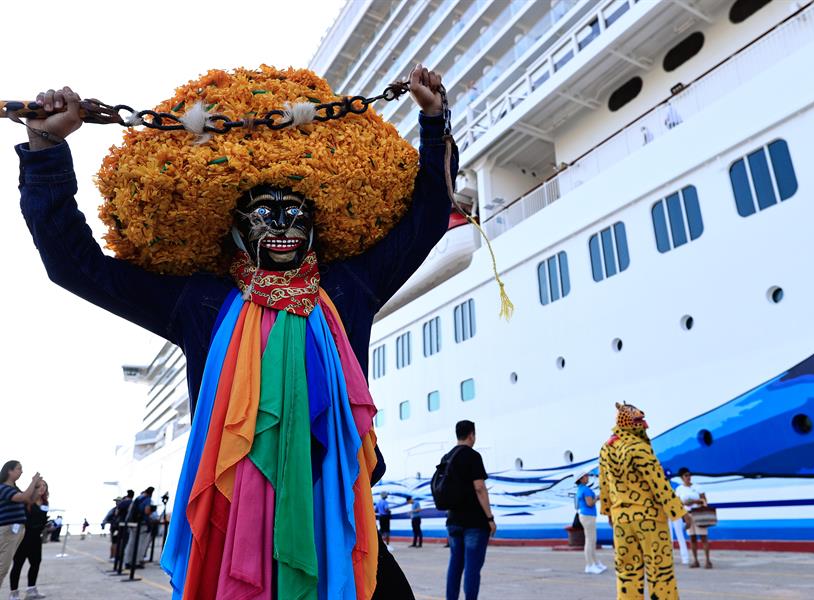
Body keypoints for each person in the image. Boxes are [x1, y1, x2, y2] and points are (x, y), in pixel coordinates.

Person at [17, 63, 455, 599]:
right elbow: (74, 264)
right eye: (264, 214)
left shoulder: (349, 287)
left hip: (343, 517)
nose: (282, 227)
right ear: (234, 230)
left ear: (316, 225)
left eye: (295, 212)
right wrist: (45, 151)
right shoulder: (201, 303)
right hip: (236, 531)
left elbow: (427, 220)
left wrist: (434, 122)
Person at [599, 403, 685, 600]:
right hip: (649, 519)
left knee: (627, 572)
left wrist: (609, 511)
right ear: (630, 423)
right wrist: (679, 512)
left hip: (621, 520)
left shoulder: (606, 449)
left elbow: (604, 484)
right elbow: (659, 484)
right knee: (660, 571)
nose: (645, 426)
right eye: (640, 421)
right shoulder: (639, 448)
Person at [443, 420, 495, 600]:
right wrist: (490, 518)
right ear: (471, 434)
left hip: (453, 521)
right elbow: (479, 487)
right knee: (472, 568)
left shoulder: (447, 457)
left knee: (455, 566)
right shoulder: (472, 456)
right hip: (474, 523)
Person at [0, 462, 42, 585]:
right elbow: (23, 497)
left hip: (14, 532)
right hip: (7, 531)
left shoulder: (13, 489)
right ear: (9, 471)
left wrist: (35, 488)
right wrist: (33, 482)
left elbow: (30, 500)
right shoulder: (3, 488)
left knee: (3, 566)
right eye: (19, 469)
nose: (21, 471)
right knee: (2, 567)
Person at [9, 480, 50, 600]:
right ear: (34, 487)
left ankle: (31, 590)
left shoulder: (45, 502)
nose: (42, 488)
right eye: (39, 485)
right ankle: (14, 594)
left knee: (36, 563)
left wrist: (49, 525)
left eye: (44, 486)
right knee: (18, 564)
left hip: (36, 538)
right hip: (23, 538)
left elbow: (42, 521)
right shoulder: (26, 501)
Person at [675, 467, 711, 569]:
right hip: (688, 514)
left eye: (689, 475)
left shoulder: (698, 487)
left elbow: (704, 500)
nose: (688, 477)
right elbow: (677, 503)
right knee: (693, 538)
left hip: (699, 513)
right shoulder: (679, 489)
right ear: (682, 477)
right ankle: (695, 560)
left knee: (703, 537)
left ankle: (708, 560)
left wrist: (694, 502)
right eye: (686, 475)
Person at [574, 470, 606, 574]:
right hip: (588, 516)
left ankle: (595, 563)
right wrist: (597, 497)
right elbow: (590, 504)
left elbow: (578, 505)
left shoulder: (580, 489)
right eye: (586, 476)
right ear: (581, 479)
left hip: (585, 515)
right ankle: (589, 565)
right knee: (590, 541)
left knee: (592, 540)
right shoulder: (586, 490)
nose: (588, 477)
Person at [124, 487, 154, 569]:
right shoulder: (147, 499)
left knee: (131, 543)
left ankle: (127, 561)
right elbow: (147, 511)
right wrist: (152, 511)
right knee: (140, 544)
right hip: (141, 524)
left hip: (132, 523)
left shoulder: (138, 498)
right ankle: (136, 562)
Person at [666, 470, 690, 566]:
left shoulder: (677, 486)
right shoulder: (675, 486)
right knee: (669, 537)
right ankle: (671, 558)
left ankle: (685, 558)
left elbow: (679, 500)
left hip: (675, 512)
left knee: (679, 535)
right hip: (668, 513)